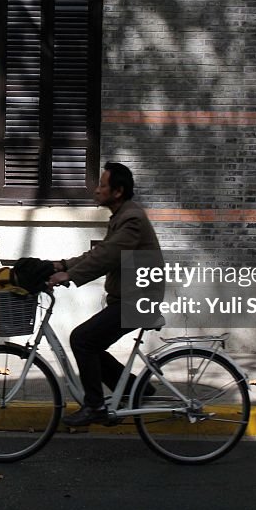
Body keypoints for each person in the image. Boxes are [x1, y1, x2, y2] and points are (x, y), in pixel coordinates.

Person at [47, 161, 162, 426]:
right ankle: (137, 390)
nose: (97, 190)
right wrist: (63, 265)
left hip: (138, 301)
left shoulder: (131, 218)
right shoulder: (123, 215)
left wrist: (71, 275)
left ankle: (95, 406)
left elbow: (109, 256)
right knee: (91, 343)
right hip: (129, 299)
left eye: (102, 185)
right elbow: (99, 253)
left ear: (118, 191)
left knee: (82, 340)